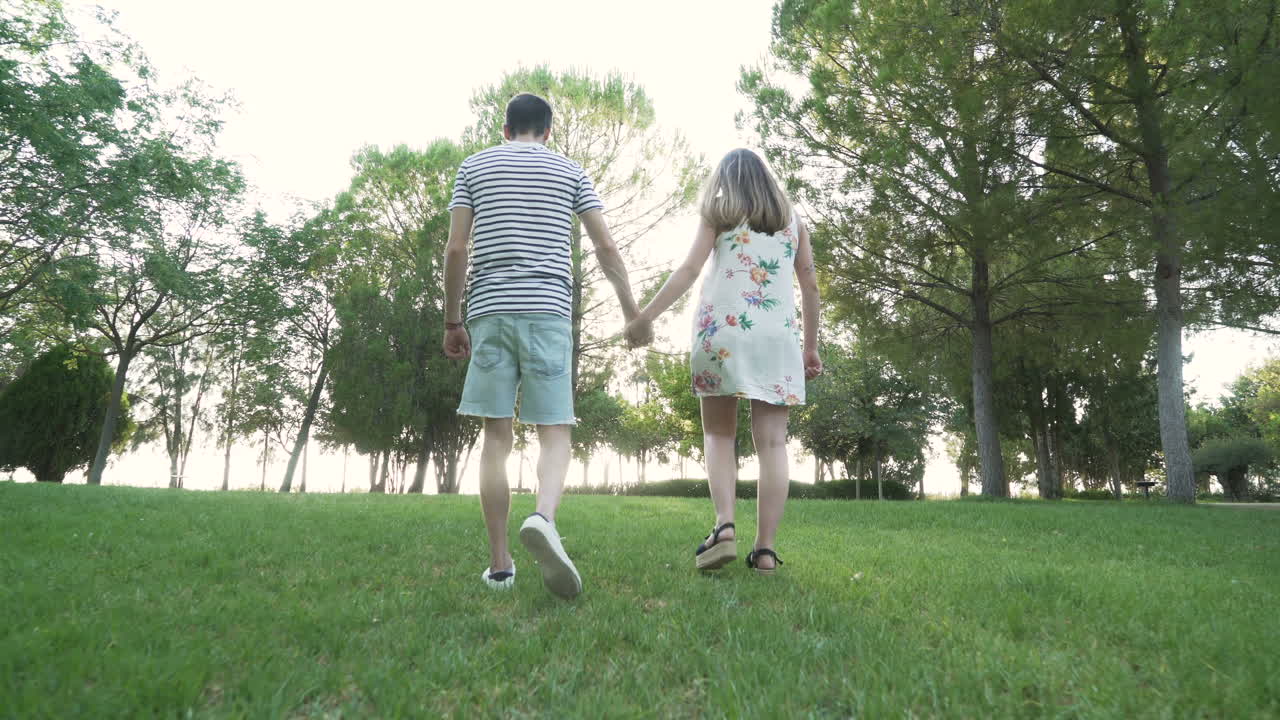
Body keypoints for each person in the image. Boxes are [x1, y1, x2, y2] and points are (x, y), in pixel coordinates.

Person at [443, 93, 652, 598]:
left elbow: (456, 248)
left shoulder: (474, 167)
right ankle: (543, 517)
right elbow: (605, 246)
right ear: (548, 131)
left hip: (490, 311)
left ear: (506, 128)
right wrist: (632, 313)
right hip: (548, 312)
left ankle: (500, 567)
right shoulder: (571, 172)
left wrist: (452, 320)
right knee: (554, 430)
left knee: (496, 439)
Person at [625, 148, 821, 574]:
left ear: (725, 181)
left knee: (718, 434)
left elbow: (689, 270)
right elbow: (810, 287)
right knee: (773, 444)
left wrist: (644, 317)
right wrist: (810, 348)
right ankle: (765, 551)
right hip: (777, 340)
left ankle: (725, 525)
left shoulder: (719, 213)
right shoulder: (793, 222)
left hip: (723, 333)